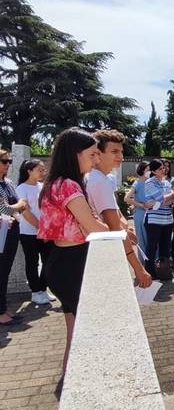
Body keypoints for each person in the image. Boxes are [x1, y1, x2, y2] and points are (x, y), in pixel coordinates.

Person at [37, 128, 109, 373]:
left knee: (74, 334)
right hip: (74, 264)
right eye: (91, 155)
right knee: (85, 335)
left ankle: (69, 384)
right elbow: (94, 227)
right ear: (74, 155)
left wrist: (91, 222)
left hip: (61, 260)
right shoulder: (68, 186)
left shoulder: (54, 184)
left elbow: (87, 224)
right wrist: (97, 223)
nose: (96, 160)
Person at [86, 130, 152, 288]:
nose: (120, 156)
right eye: (114, 151)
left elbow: (114, 210)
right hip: (105, 249)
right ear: (98, 153)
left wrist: (125, 226)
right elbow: (114, 228)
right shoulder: (98, 181)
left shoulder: (99, 178)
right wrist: (138, 269)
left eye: (121, 151)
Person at [16, 159, 55, 305]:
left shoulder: (42, 186)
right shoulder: (21, 188)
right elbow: (25, 212)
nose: (43, 172)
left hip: (45, 231)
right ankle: (35, 291)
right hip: (28, 232)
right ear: (29, 171)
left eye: (43, 169)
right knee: (32, 262)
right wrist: (41, 228)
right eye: (39, 169)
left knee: (48, 261)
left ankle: (43, 289)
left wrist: (48, 228)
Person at [0, 149, 28, 325]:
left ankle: (3, 308)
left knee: (5, 271)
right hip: (3, 231)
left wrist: (16, 206)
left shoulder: (8, 182)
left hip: (10, 231)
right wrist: (17, 205)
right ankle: (1, 313)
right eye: (4, 161)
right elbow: (6, 209)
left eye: (9, 161)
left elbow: (20, 206)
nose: (8, 164)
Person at [143, 159, 174, 278]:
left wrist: (159, 201)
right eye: (160, 168)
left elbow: (170, 201)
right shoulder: (149, 182)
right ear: (154, 171)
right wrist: (167, 197)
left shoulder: (166, 182)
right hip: (153, 220)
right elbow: (161, 198)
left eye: (164, 168)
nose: (164, 170)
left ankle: (164, 271)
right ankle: (150, 272)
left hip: (167, 219)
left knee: (165, 247)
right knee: (152, 247)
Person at [124, 161, 151, 263]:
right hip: (140, 214)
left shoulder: (151, 182)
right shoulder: (137, 183)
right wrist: (141, 205)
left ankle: (152, 261)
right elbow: (126, 198)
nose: (149, 171)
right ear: (143, 169)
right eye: (148, 169)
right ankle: (143, 262)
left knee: (151, 238)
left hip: (151, 214)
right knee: (142, 239)